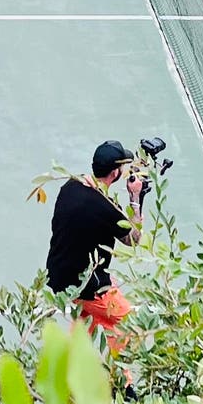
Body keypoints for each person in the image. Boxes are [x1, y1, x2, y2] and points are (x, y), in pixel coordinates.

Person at [46, 140, 144, 349]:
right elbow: (133, 239)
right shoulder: (107, 209)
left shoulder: (70, 186)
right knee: (131, 325)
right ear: (115, 173)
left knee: (87, 322)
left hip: (59, 275)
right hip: (86, 285)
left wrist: (105, 278)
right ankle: (123, 381)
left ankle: (69, 368)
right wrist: (135, 198)